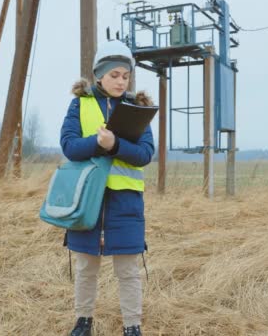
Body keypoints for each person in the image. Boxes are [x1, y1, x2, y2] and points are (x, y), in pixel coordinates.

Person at [60, 40, 154, 336]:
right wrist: (96, 144)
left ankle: (132, 327)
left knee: (128, 272)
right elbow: (69, 146)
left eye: (125, 76)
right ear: (99, 74)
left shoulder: (137, 108)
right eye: (114, 75)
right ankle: (83, 322)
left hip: (126, 204)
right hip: (88, 199)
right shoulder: (80, 103)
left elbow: (145, 154)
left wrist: (114, 145)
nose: (121, 81)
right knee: (87, 269)